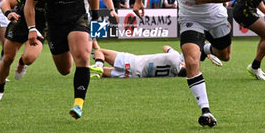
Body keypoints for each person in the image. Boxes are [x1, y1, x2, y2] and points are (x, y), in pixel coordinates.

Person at [133, 0, 236, 127]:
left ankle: (206, 49)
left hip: (215, 15)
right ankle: (206, 111)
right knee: (190, 61)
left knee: (225, 55)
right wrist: (139, 0)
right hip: (189, 17)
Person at [24, 0, 99, 120]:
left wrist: (95, 18)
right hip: (55, 25)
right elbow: (29, 4)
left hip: (78, 20)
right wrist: (32, 29)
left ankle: (78, 104)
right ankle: (72, 49)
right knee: (65, 70)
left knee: (83, 57)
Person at [0, 0, 52, 101]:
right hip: (20, 23)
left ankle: (22, 62)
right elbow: (5, 3)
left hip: (38, 27)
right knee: (7, 59)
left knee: (30, 58)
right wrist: (9, 13)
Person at [89, 45, 223, 79]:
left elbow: (166, 47)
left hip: (133, 61)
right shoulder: (174, 74)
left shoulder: (175, 57)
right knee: (106, 74)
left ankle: (98, 65)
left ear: (183, 65)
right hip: (136, 75)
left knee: (100, 52)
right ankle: (98, 73)